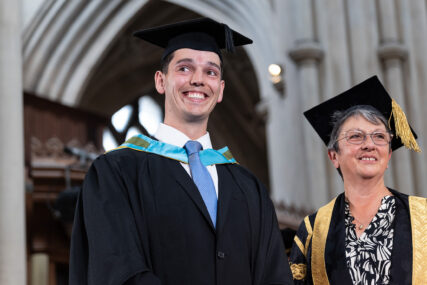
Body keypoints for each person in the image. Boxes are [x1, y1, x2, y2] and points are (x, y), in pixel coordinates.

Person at [69, 17, 292, 285]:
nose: (198, 80)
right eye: (185, 68)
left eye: (211, 72)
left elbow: (274, 277)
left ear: (220, 90)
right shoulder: (116, 173)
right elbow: (117, 270)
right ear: (161, 81)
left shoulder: (249, 188)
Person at [289, 76, 426, 284]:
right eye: (356, 136)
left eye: (379, 137)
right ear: (334, 156)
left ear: (388, 155)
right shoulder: (313, 231)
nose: (369, 145)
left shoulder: (423, 218)